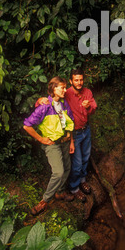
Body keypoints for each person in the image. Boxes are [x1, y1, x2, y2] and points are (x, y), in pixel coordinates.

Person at [36, 67, 97, 202]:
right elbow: (51, 99)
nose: (79, 82)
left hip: (86, 130)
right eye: (76, 80)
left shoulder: (87, 92)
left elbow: (94, 108)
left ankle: (82, 180)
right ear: (71, 81)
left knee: (86, 157)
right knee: (77, 163)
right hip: (73, 133)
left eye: (81, 80)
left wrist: (89, 107)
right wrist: (40, 100)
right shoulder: (66, 93)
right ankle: (74, 188)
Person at [23, 76, 75, 216]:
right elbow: (27, 125)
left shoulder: (64, 104)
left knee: (67, 168)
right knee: (58, 172)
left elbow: (70, 121)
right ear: (54, 88)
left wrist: (70, 141)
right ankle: (44, 201)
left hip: (64, 142)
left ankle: (60, 192)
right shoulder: (44, 106)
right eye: (62, 87)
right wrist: (41, 139)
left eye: (65, 87)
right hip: (52, 144)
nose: (65, 90)